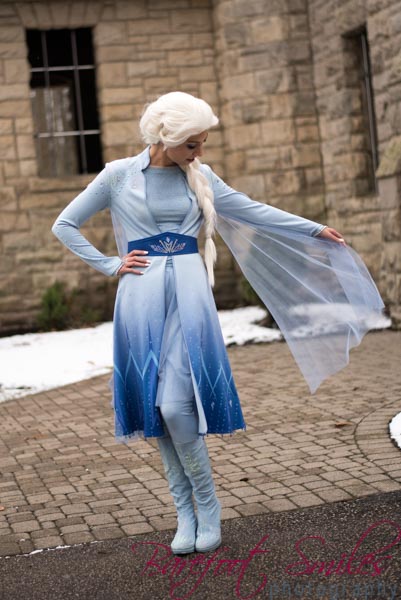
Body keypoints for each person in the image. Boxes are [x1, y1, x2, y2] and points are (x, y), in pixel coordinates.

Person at [52, 91, 385, 555]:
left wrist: (312, 228)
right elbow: (64, 224)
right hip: (140, 300)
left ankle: (207, 505)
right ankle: (183, 512)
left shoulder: (201, 177)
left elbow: (251, 209)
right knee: (155, 410)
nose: (199, 152)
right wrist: (111, 264)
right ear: (164, 137)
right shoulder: (118, 176)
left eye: (202, 143)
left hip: (190, 298)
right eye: (192, 144)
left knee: (174, 407)